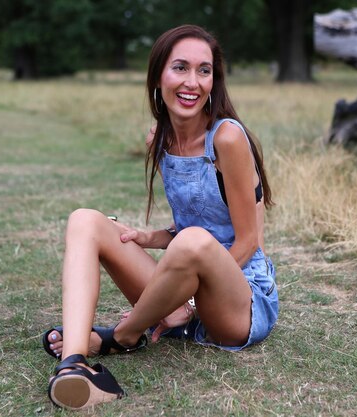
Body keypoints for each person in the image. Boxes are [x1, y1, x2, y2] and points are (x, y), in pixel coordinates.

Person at [43, 24, 278, 410]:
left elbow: (247, 241)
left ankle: (122, 336)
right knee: (86, 219)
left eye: (204, 71)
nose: (193, 82)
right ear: (157, 77)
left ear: (214, 81)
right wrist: (147, 237)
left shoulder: (227, 138)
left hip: (240, 301)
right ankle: (74, 364)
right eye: (180, 68)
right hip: (185, 283)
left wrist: (190, 302)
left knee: (193, 243)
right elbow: (192, 225)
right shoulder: (161, 138)